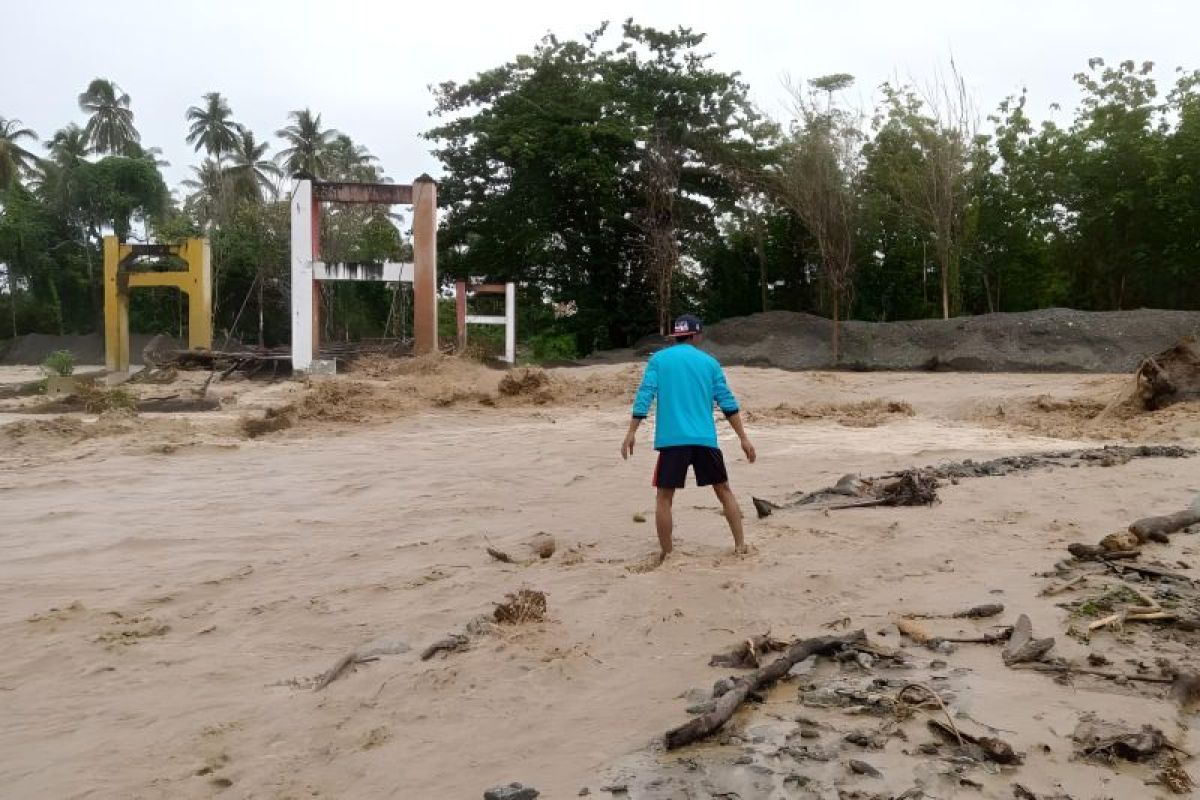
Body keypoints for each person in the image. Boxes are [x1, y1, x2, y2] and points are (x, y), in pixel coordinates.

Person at [621, 314, 756, 561]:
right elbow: (727, 403)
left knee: (664, 497)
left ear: (677, 336)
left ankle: (667, 553)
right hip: (705, 439)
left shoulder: (659, 360)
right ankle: (740, 546)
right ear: (695, 335)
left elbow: (645, 396)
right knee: (724, 490)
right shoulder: (710, 363)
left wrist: (631, 432)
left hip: (672, 441)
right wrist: (743, 438)